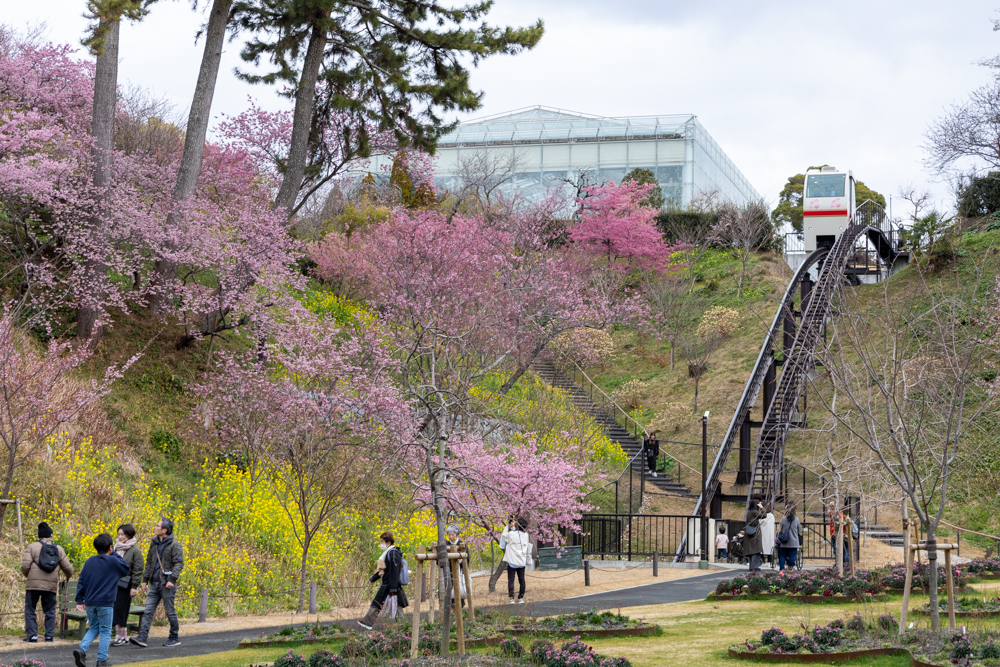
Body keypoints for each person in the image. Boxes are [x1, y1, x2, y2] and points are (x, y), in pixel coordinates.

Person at [73, 533, 130, 667]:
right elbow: (125, 569)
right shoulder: (113, 561)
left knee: (93, 628)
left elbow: (81, 580)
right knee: (105, 631)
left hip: (90, 601)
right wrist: (114, 553)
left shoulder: (90, 561)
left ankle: (81, 649)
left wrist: (79, 600)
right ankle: (101, 660)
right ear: (110, 547)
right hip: (105, 602)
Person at [131, 518, 184, 648]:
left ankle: (174, 637)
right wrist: (145, 580)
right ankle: (142, 636)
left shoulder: (174, 545)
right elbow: (149, 562)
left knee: (170, 611)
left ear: (164, 530)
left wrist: (172, 580)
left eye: (157, 526)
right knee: (148, 610)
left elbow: (179, 563)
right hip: (154, 584)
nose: (155, 527)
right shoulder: (154, 544)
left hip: (167, 584)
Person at [21, 521, 74, 643]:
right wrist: (67, 577)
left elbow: (24, 566)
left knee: (30, 610)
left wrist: (29, 577)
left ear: (39, 536)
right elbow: (68, 568)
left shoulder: (32, 547)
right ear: (51, 536)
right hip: (50, 586)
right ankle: (49, 636)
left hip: (33, 585)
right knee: (50, 610)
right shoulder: (58, 549)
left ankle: (32, 636)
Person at [358, 532, 403, 630]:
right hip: (390, 584)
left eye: (382, 541)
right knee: (394, 605)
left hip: (390, 585)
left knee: (381, 603)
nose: (381, 544)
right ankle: (404, 627)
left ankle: (368, 622)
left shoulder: (393, 553)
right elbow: (384, 570)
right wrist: (373, 578)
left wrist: (393, 587)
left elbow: (394, 571)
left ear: (388, 542)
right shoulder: (389, 553)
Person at [111, 524, 143, 647]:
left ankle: (119, 636)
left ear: (129, 535)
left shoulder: (135, 551)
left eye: (122, 534)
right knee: (118, 608)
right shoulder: (115, 548)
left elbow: (137, 570)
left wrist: (134, 586)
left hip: (126, 584)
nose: (119, 537)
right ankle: (123, 636)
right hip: (115, 583)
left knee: (121, 609)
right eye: (118, 534)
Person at [501, 517, 531, 604]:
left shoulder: (511, 534)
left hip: (512, 562)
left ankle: (511, 598)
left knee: (511, 580)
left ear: (517, 525)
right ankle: (520, 597)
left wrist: (508, 526)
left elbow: (504, 535)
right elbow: (518, 534)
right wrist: (514, 527)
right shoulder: (526, 535)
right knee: (522, 579)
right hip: (521, 562)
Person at [446, 525, 467, 609]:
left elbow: (467, 558)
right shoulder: (446, 545)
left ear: (457, 534)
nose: (451, 537)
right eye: (449, 535)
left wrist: (460, 560)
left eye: (452, 534)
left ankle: (459, 608)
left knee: (458, 588)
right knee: (449, 590)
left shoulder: (461, 544)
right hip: (448, 571)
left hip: (459, 571)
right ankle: (450, 608)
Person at [778, 504, 801, 570]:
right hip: (794, 541)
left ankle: (781, 568)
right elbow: (799, 529)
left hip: (784, 541)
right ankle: (790, 567)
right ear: (794, 511)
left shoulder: (784, 519)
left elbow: (781, 528)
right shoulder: (796, 519)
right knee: (792, 555)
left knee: (782, 556)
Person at [744, 500, 765, 572]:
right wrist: (762, 507)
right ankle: (755, 567)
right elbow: (764, 515)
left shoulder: (749, 512)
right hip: (755, 533)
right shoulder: (754, 512)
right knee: (756, 551)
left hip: (749, 533)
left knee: (750, 551)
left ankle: (751, 566)